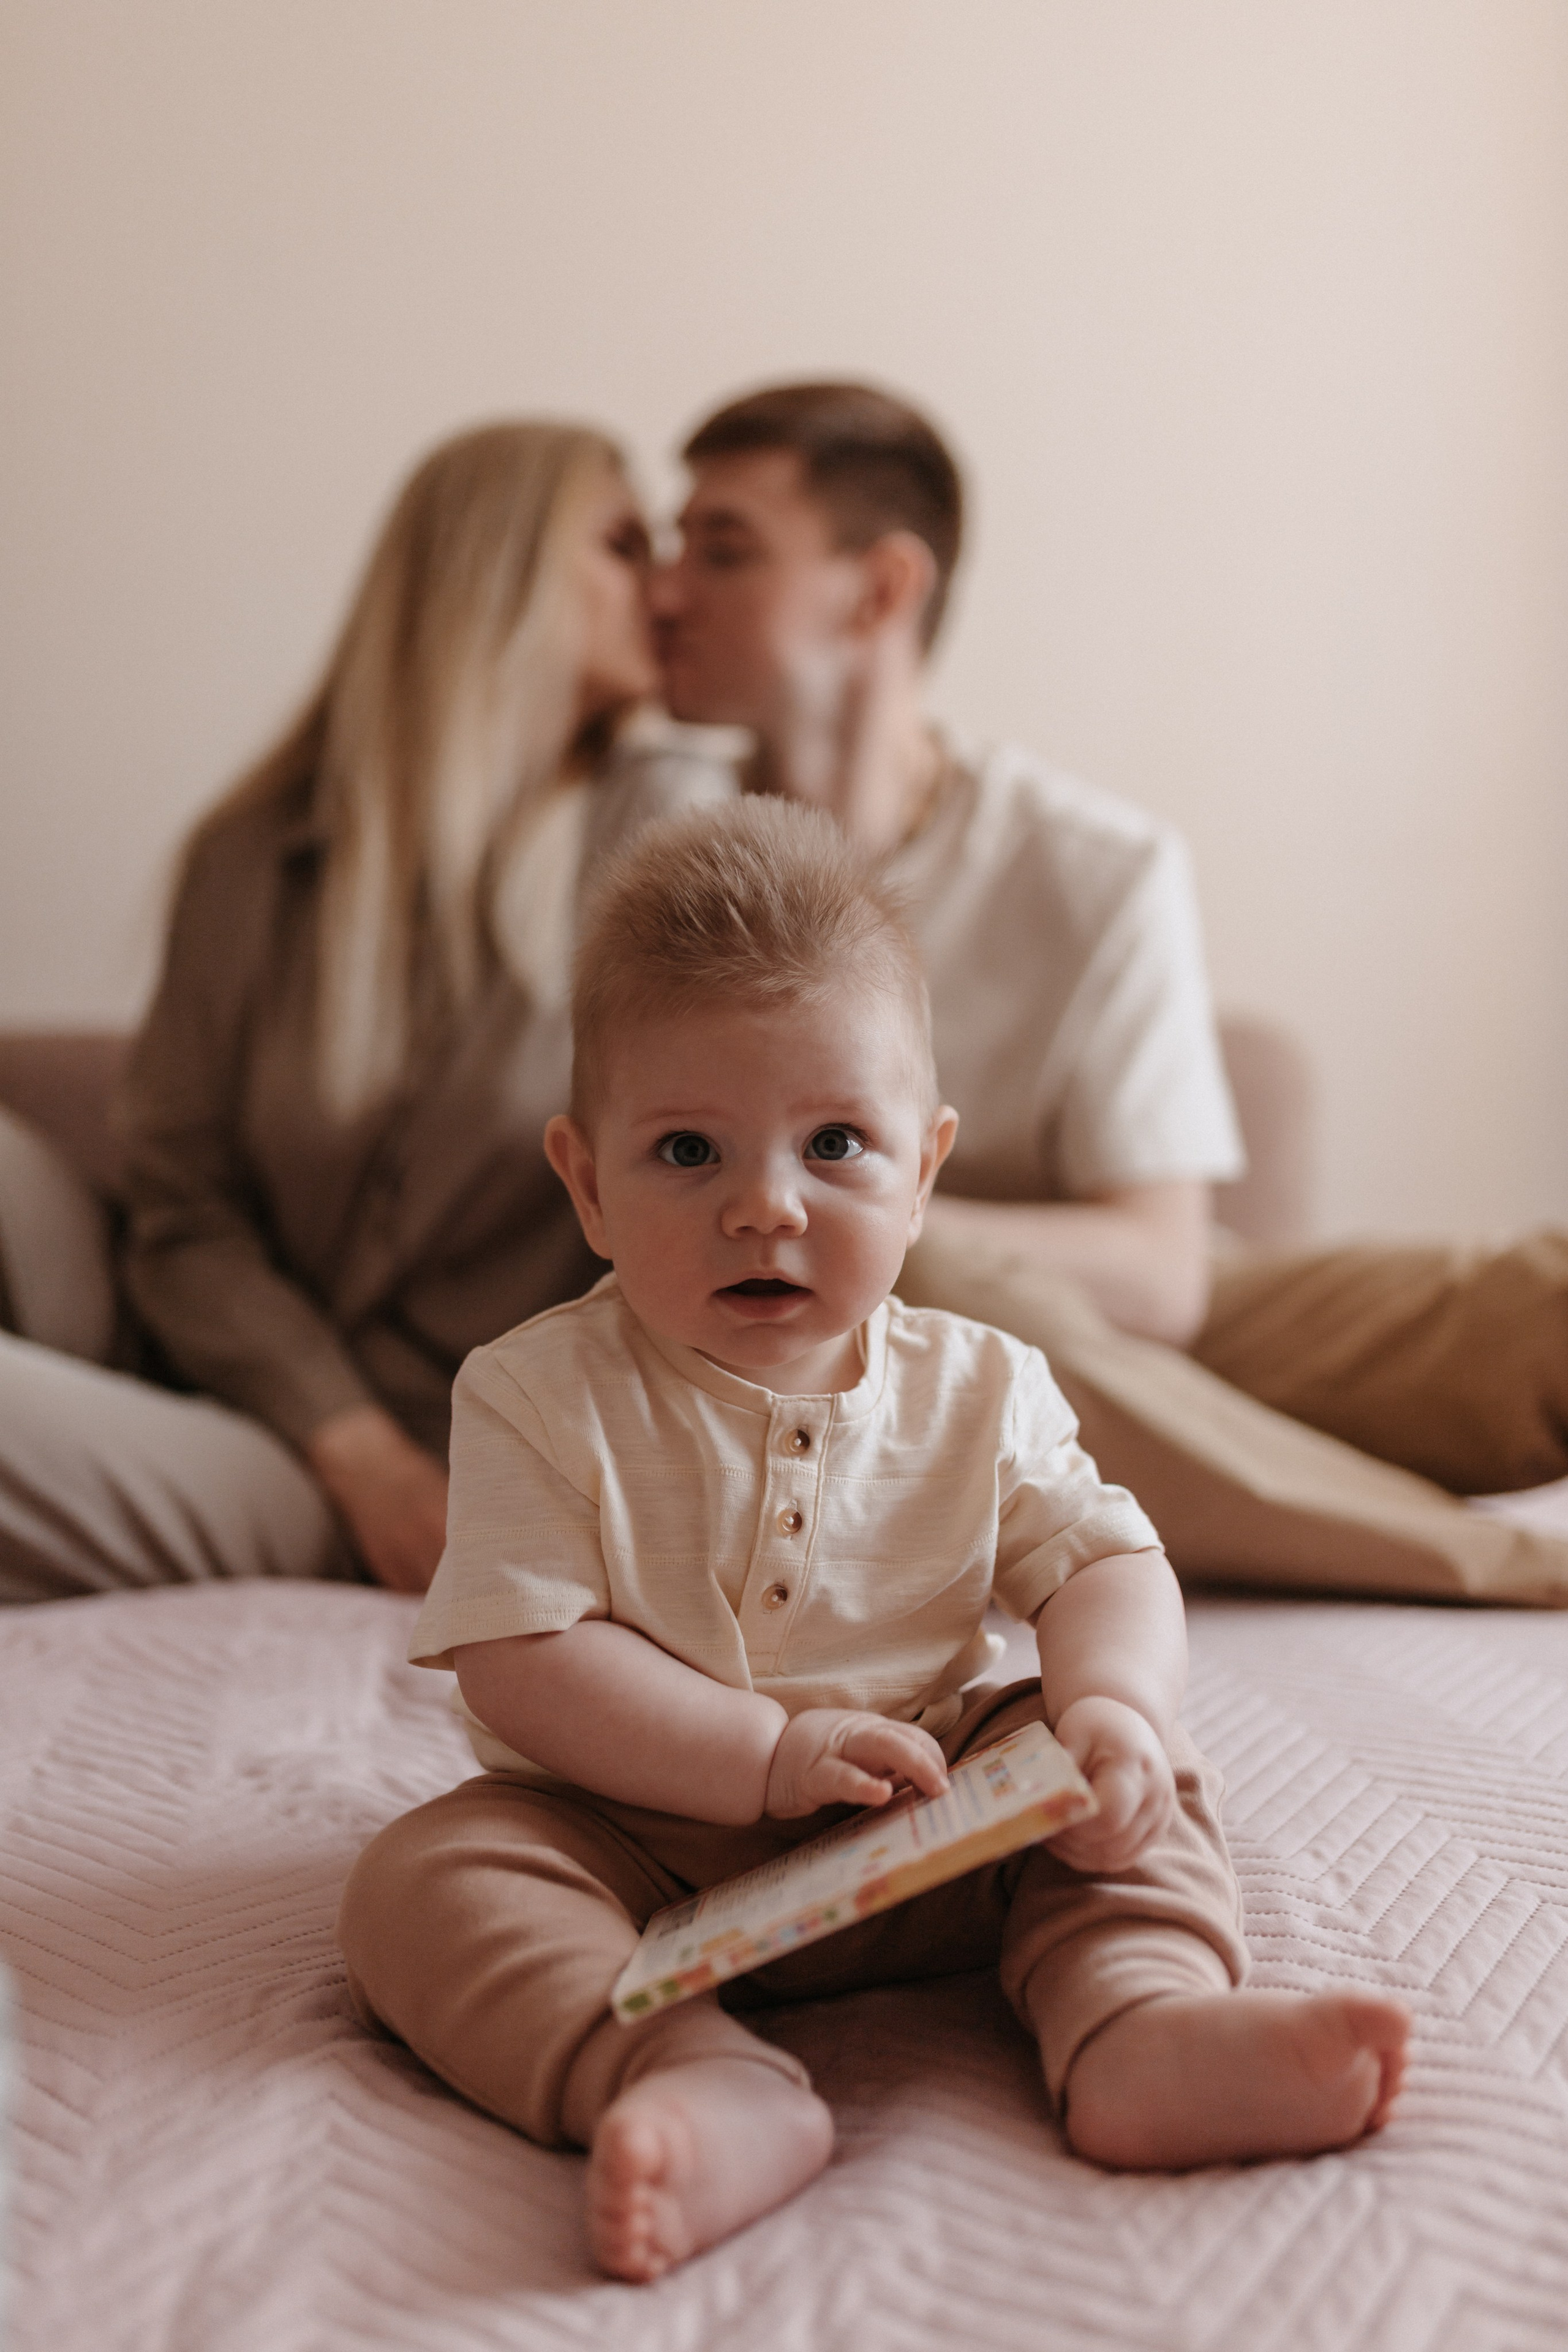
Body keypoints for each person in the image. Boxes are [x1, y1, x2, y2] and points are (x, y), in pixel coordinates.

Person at [336, 799, 1409, 2283]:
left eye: (834, 1142)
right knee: (426, 1882)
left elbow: (1104, 1561)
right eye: (687, 1151)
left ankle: (1137, 2023)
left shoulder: (984, 1384)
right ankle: (680, 2079)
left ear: (923, 1170)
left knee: (1119, 1777)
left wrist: (1112, 1710)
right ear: (584, 1182)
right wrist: (760, 1761)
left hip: (933, 1814)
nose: (763, 1205)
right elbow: (526, 1661)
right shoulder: (532, 1392)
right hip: (632, 1838)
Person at [646, 379, 1568, 1606]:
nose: (665, 590)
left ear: (878, 591)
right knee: (900, 1272)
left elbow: (1161, 1275)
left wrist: (876, 1211)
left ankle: (1211, 1446)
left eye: (722, 550)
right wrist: (859, 1228)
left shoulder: (1090, 865)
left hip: (1092, 1320)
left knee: (1520, 1306)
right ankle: (1498, 1562)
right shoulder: (646, 838)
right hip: (828, 1331)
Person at [0, 419, 712, 1603]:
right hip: (218, 1369)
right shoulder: (258, 852)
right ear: (500, 569)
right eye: (626, 543)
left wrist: (381, 1460)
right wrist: (345, 1436)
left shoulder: (665, 850)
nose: (672, 586)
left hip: (383, 1459)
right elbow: (181, 1205)